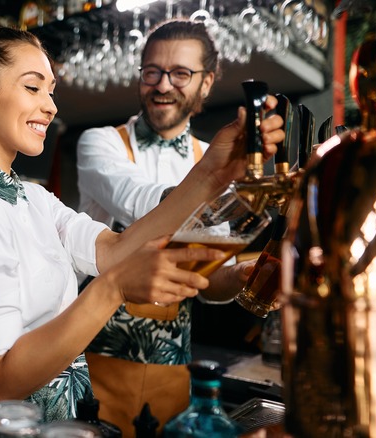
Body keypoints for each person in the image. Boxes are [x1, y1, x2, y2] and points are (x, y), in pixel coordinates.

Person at [0, 26, 283, 425]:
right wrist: (115, 286)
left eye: (51, 91)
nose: (51, 106)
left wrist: (211, 173)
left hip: (64, 423)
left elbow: (112, 250)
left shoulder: (30, 197)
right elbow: (1, 383)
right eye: (33, 88)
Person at [75, 19, 258, 436]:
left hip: (173, 370)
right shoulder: (100, 143)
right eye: (152, 71)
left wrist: (238, 277)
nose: (162, 85)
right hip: (91, 361)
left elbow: (205, 279)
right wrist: (214, 181)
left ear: (207, 83)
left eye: (180, 73)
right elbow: (140, 202)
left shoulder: (210, 156)